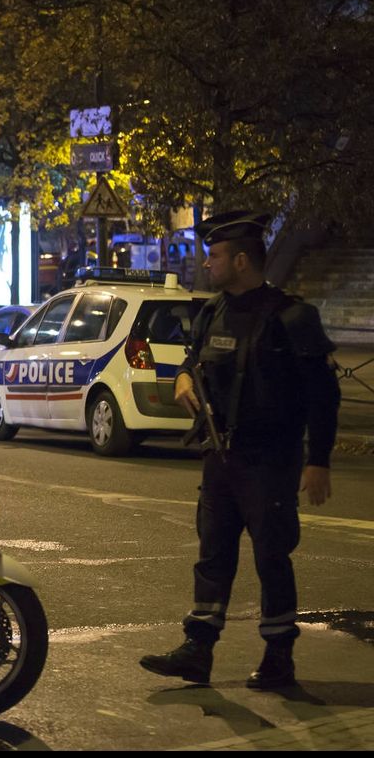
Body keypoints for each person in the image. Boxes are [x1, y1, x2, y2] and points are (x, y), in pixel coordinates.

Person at [139, 210, 340, 690]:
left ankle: (278, 657)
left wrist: (318, 461)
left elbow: (323, 394)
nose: (207, 265)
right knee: (212, 555)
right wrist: (185, 377)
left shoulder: (292, 316)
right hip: (221, 458)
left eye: (215, 256)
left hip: (271, 460)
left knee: (272, 557)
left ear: (242, 260)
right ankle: (198, 649)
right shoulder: (213, 310)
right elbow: (192, 359)